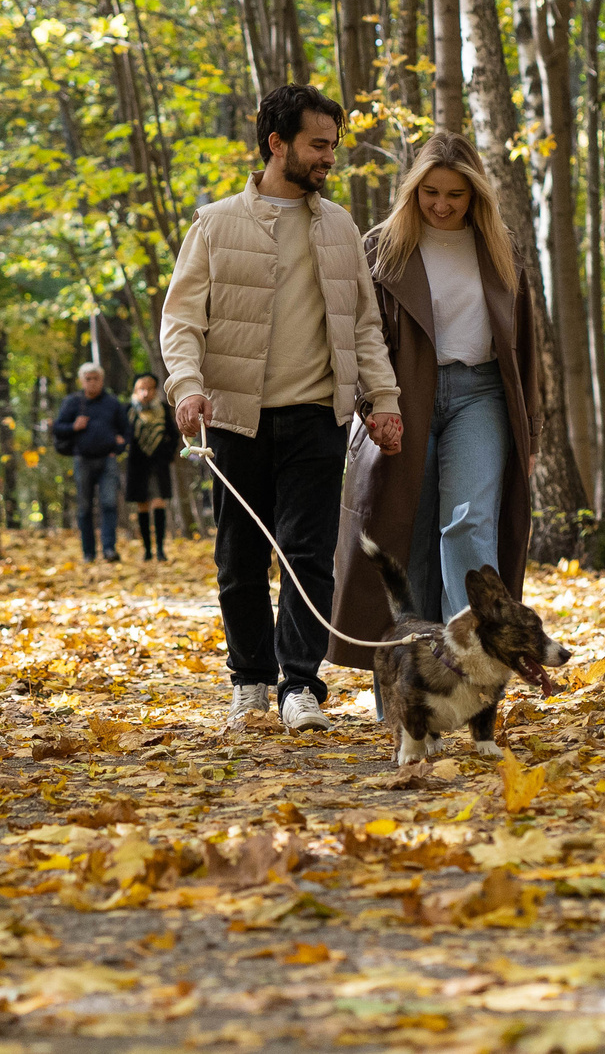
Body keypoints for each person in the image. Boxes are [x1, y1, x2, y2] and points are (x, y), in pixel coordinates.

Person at [160, 82, 403, 732]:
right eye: (318, 144)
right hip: (235, 417)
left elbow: (365, 326)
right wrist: (186, 386)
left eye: (333, 144)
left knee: (307, 553)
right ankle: (249, 682)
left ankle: (299, 686)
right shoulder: (215, 224)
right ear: (277, 143)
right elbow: (181, 320)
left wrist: (383, 399)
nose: (329, 157)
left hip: (317, 415)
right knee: (239, 560)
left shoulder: (341, 226)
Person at [329, 133, 541, 674]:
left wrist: (531, 434)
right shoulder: (381, 247)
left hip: (481, 395)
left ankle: (471, 668)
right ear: (413, 190)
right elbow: (359, 336)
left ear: (475, 195)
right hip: (402, 399)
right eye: (431, 193)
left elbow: (525, 344)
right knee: (407, 537)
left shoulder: (500, 248)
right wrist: (371, 404)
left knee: (469, 523)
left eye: (455, 194)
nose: (442, 205)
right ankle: (409, 680)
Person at [51, 362, 133, 562]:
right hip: (83, 460)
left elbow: (127, 431)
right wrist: (74, 427)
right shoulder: (72, 402)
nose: (92, 382)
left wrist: (118, 447)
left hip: (107, 460)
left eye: (96, 378)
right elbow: (57, 428)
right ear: (82, 381)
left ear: (101, 380)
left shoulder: (112, 403)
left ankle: (109, 549)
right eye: (88, 379)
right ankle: (88, 553)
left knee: (109, 504)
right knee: (84, 508)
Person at [125, 371, 180, 561]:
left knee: (158, 502)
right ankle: (147, 550)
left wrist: (167, 454)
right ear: (135, 390)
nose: (145, 392)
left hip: (158, 464)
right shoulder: (128, 410)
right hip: (137, 464)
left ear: (155, 390)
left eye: (149, 388)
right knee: (142, 505)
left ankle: (161, 550)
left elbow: (173, 434)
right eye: (141, 388)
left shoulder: (162, 408)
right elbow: (123, 434)